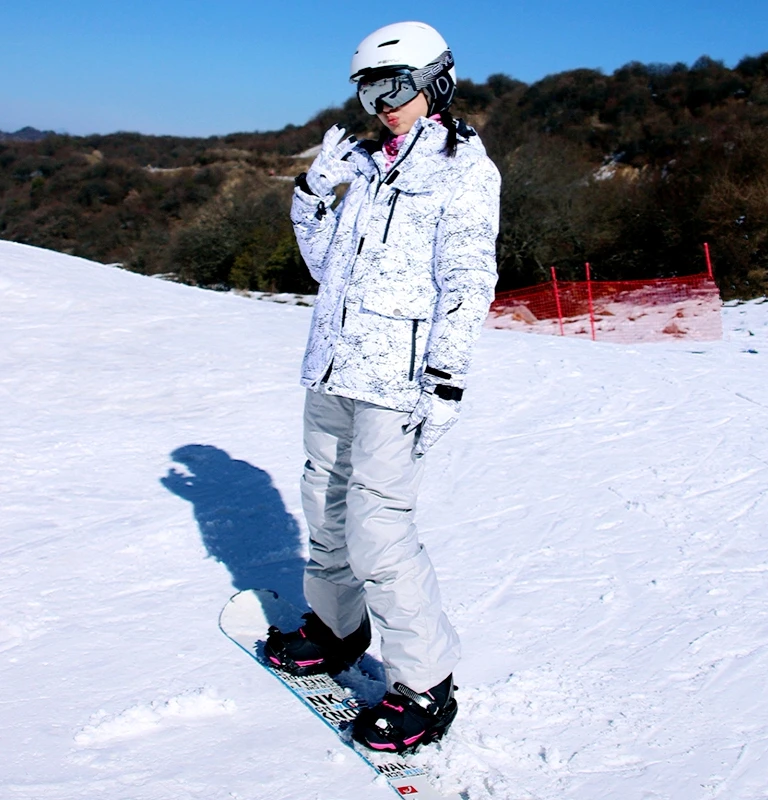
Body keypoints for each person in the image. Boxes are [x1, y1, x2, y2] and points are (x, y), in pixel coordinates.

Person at [266, 20, 501, 753]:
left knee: (379, 532)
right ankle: (336, 628)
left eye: (393, 86)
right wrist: (312, 193)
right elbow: (321, 266)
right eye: (368, 88)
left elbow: (468, 281)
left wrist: (446, 382)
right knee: (323, 511)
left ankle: (426, 684)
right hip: (334, 368)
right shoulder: (362, 164)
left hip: (396, 383)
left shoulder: (464, 170)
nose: (380, 102)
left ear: (435, 83)